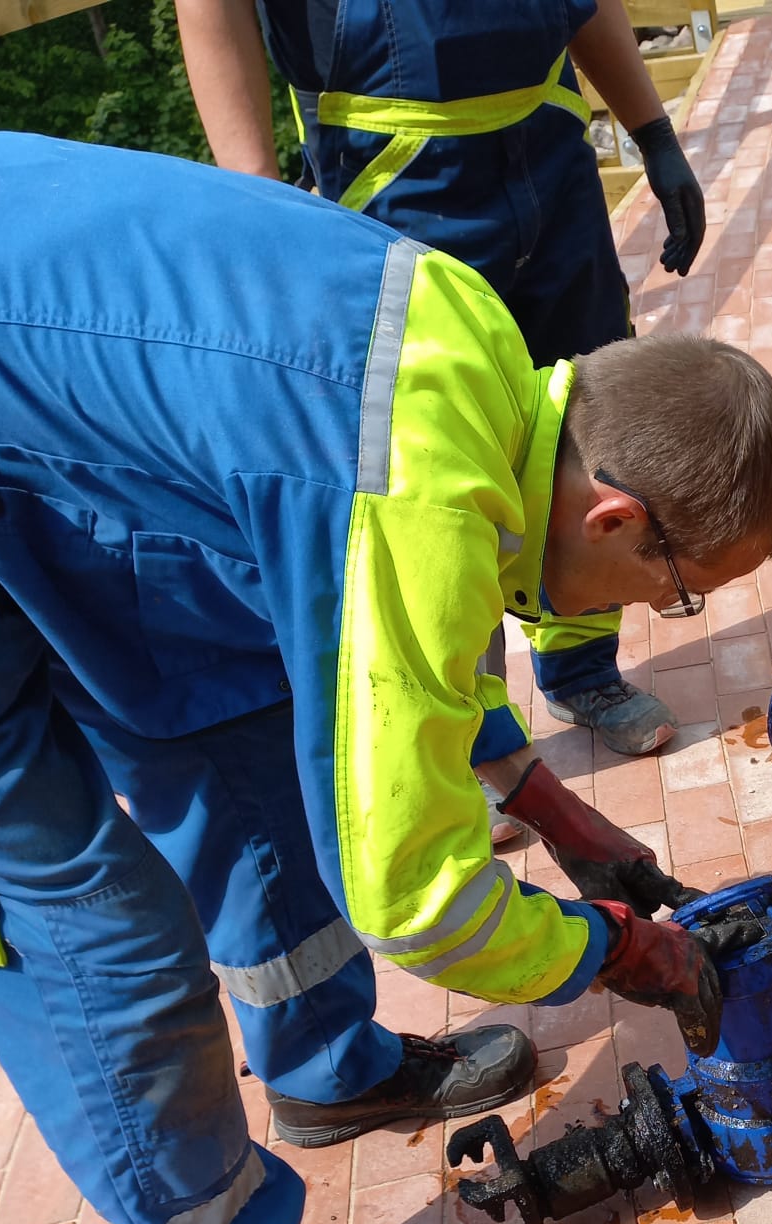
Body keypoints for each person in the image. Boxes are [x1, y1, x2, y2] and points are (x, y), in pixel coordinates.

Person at [0, 132, 772, 1224]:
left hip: (46, 444)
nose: (666, 614)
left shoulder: (475, 360)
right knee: (99, 944)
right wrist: (602, 951)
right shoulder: (416, 492)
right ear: (613, 520)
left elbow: (397, 637)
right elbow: (414, 894)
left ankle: (328, 1072)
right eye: (679, 589)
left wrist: (558, 814)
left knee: (242, 718)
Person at [176, 0, 709, 762]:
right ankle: (466, 737)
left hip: (550, 144)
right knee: (437, 461)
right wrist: (260, 199)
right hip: (396, 166)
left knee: (587, 424)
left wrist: (652, 132)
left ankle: (582, 670)